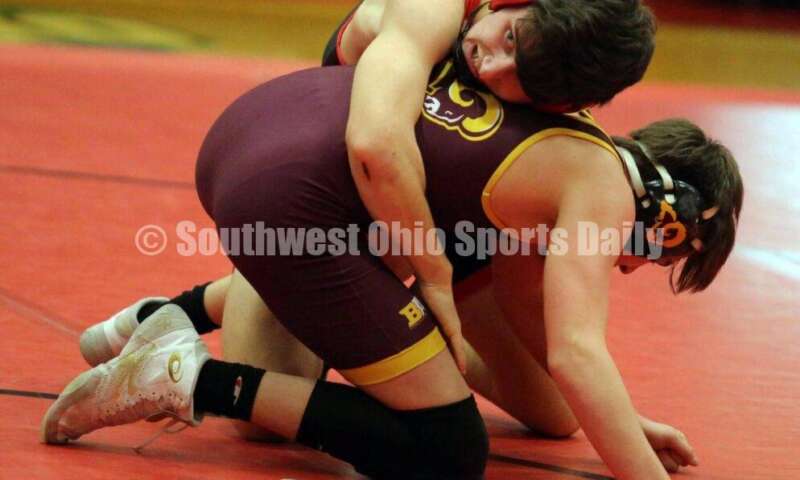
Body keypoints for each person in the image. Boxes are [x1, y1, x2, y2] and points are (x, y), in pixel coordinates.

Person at [42, 60, 743, 479]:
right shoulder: (603, 193)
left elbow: (553, 384)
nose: (631, 266)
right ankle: (187, 376)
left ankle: (167, 317)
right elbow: (576, 353)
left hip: (267, 135)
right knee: (445, 454)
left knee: (279, 418)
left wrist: (620, 420)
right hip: (302, 210)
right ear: (670, 209)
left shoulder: (555, 154)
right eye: (657, 252)